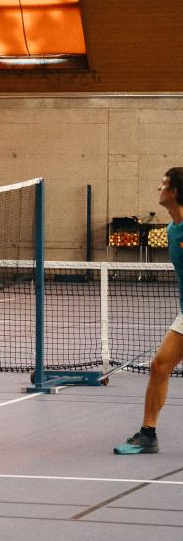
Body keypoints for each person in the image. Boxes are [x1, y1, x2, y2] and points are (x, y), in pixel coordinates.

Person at [114, 167, 183, 454]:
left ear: (175, 191)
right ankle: (148, 434)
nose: (159, 188)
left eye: (163, 184)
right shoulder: (170, 230)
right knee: (160, 366)